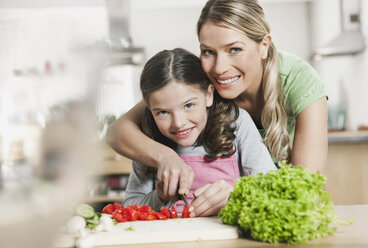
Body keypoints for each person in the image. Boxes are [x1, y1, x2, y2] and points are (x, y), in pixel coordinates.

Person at [107, 0, 328, 217]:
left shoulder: (297, 81)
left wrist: (238, 194)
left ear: (264, 45)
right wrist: (166, 158)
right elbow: (118, 131)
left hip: (271, 210)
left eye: (234, 49)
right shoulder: (197, 79)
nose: (220, 68)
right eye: (207, 51)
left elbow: (305, 193)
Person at [123, 48, 276, 213]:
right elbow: (129, 206)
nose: (178, 123)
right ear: (150, 109)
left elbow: (272, 187)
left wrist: (235, 196)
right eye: (163, 112)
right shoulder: (147, 138)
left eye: (189, 106)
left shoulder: (236, 121)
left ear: (209, 95)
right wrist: (159, 197)